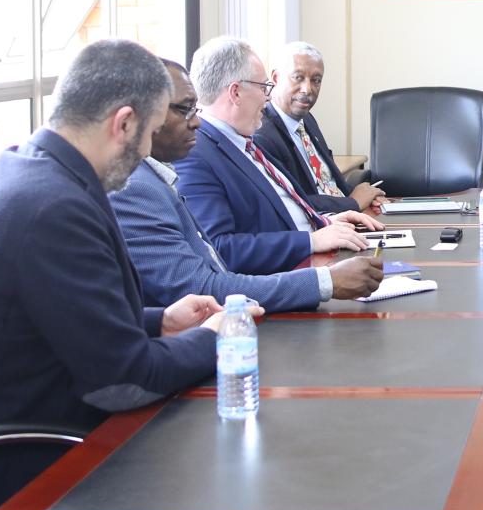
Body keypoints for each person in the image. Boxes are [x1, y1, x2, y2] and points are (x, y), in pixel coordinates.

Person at [0, 40, 241, 510]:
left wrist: (162, 320)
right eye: (151, 133)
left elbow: (52, 318)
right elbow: (124, 382)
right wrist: (218, 338)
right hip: (33, 472)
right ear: (124, 124)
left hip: (30, 429)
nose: (144, 157)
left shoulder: (10, 172)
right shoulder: (55, 209)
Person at [111, 59, 384, 312]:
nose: (195, 121)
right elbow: (203, 284)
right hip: (226, 321)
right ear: (137, 116)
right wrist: (325, 281)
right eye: (184, 110)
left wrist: (323, 222)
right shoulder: (136, 187)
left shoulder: (160, 172)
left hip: (259, 294)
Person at [177, 36, 382, 275]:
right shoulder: (196, 155)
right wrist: (311, 240)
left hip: (318, 252)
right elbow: (221, 249)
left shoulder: (244, 142)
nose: (267, 98)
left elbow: (285, 210)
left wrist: (325, 221)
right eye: (264, 88)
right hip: (291, 277)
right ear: (235, 93)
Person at [252, 41, 384, 215]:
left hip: (345, 217)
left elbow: (328, 181)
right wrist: (353, 202)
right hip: (319, 228)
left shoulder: (306, 119)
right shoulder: (262, 133)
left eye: (316, 80)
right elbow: (292, 201)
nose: (308, 89)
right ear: (276, 78)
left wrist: (367, 196)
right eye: (298, 77)